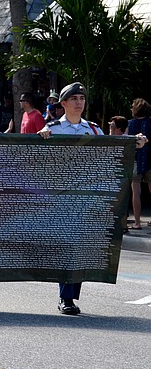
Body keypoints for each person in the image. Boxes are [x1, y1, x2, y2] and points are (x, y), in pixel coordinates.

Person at [39, 82, 147, 315]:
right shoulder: (53, 129)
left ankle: (68, 296)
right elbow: (35, 156)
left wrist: (134, 143)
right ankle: (66, 297)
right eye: (74, 98)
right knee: (68, 247)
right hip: (62, 199)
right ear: (64, 104)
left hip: (86, 199)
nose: (79, 102)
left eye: (82, 98)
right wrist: (41, 139)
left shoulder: (94, 130)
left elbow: (112, 149)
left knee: (78, 248)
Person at [128, 98, 151, 230]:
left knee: (136, 191)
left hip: (135, 159)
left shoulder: (130, 124)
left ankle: (137, 222)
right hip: (150, 159)